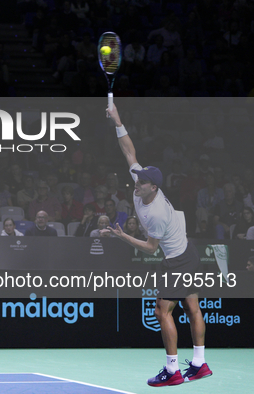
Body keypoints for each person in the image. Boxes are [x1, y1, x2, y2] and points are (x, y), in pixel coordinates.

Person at [105, 104, 211, 386]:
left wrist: (122, 236)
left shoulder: (156, 215)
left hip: (177, 260)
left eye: (142, 183)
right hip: (189, 252)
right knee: (193, 308)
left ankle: (173, 371)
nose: (136, 184)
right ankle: (200, 364)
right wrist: (118, 120)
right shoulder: (144, 182)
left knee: (161, 311)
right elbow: (129, 151)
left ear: (153, 188)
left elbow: (151, 249)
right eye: (138, 180)